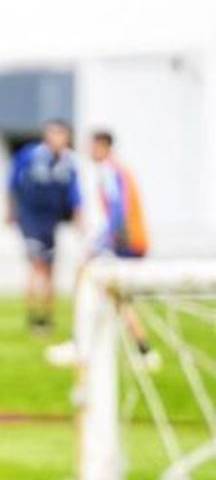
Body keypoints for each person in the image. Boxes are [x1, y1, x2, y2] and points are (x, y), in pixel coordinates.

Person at [45, 129, 157, 369]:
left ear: (104, 147)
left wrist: (102, 243)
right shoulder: (118, 170)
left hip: (124, 243)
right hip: (131, 241)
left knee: (85, 276)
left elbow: (118, 210)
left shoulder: (109, 170)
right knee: (116, 296)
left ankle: (79, 345)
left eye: (93, 146)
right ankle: (144, 350)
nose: (90, 151)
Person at [7, 119, 82, 332]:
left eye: (62, 134)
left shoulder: (68, 163)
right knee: (36, 265)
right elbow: (11, 184)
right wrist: (10, 212)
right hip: (30, 219)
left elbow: (75, 196)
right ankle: (33, 318)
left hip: (51, 221)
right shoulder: (30, 155)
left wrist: (79, 219)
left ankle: (47, 318)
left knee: (50, 269)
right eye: (54, 134)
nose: (58, 139)